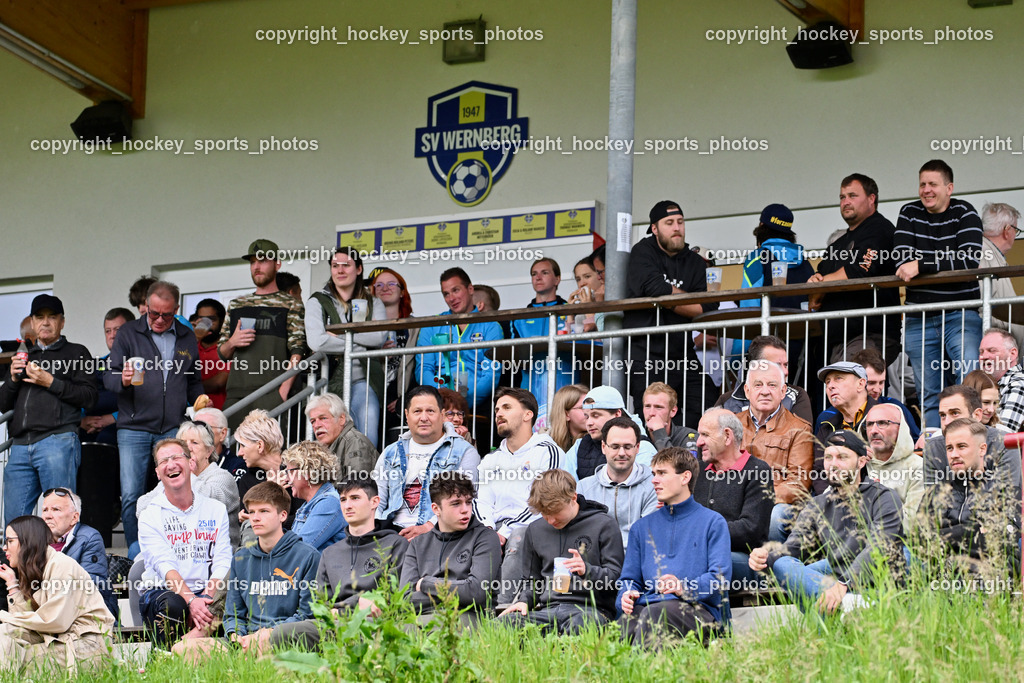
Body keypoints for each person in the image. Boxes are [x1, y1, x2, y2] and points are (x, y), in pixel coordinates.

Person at [749, 431, 904, 614]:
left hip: (875, 585)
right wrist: (766, 556)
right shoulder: (819, 504)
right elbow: (794, 546)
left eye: (842, 457)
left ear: (861, 462)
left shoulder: (883, 496)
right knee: (783, 564)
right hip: (836, 583)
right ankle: (846, 605)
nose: (833, 464)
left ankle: (833, 617)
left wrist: (844, 583)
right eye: (828, 457)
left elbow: (880, 546)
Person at [106, 281, 204, 551]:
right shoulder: (128, 332)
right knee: (131, 496)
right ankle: (136, 552)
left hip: (172, 427)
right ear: (145, 307)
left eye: (167, 314)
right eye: (154, 314)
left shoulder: (186, 336)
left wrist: (200, 404)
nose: (160, 320)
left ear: (177, 309)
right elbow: (108, 377)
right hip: (133, 427)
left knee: (177, 490)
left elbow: (193, 380)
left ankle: (173, 550)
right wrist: (123, 380)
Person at [173, 481, 319, 660]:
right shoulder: (241, 558)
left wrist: (266, 635)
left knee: (263, 646)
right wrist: (236, 634)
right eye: (251, 512)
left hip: (281, 641)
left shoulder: (308, 556)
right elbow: (233, 613)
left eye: (263, 511)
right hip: (243, 642)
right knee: (182, 649)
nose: (255, 518)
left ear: (282, 515)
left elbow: (306, 615)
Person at [894, 160, 984, 429]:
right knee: (928, 392)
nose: (926, 190)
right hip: (919, 317)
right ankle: (934, 449)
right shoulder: (909, 213)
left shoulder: (965, 213)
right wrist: (940, 260)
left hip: (960, 314)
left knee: (967, 381)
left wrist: (921, 265)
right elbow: (899, 259)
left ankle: (970, 440)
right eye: (922, 184)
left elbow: (968, 261)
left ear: (949, 187)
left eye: (933, 184)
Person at [617, 446, 732, 647]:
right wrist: (625, 596)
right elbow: (629, 579)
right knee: (624, 625)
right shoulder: (641, 527)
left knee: (655, 615)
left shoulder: (713, 522)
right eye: (653, 474)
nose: (654, 480)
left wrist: (683, 587)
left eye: (662, 473)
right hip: (649, 606)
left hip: (699, 612)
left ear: (685, 477)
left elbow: (719, 579)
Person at [275, 478, 408, 648]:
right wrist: (352, 607)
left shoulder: (395, 544)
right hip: (334, 624)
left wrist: (344, 610)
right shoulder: (330, 553)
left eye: (355, 498)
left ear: (374, 502)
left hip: (375, 623)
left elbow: (394, 597)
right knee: (282, 633)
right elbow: (320, 605)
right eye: (343, 500)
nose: (347, 505)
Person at [1, 294, 97, 526]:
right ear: (32, 322)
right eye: (39, 317)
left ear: (62, 322)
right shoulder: (23, 356)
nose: (45, 322)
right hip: (21, 445)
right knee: (15, 524)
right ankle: (18, 564)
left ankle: (59, 563)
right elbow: (2, 404)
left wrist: (50, 381)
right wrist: (13, 378)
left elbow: (90, 398)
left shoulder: (77, 353)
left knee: (60, 521)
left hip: (57, 440)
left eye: (52, 317)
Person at [624, 200, 718, 427]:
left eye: (680, 222)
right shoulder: (642, 251)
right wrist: (686, 301)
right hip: (645, 355)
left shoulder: (695, 262)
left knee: (707, 401)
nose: (677, 227)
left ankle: (689, 455)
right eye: (669, 223)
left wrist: (667, 297)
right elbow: (655, 290)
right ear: (655, 229)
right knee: (652, 418)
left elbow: (707, 307)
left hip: (682, 354)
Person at [498, 469, 624, 635]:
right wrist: (525, 601)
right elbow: (532, 581)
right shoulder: (535, 530)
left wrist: (587, 571)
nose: (550, 520)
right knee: (501, 625)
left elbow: (617, 578)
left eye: (555, 512)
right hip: (548, 610)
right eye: (544, 514)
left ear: (573, 498)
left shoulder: (604, 525)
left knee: (582, 624)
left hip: (591, 610)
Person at [138, 439, 232, 646]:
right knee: (173, 604)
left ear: (191, 464)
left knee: (236, 590)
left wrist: (206, 600)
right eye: (164, 461)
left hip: (207, 593)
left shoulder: (215, 509)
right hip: (162, 592)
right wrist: (191, 600)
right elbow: (164, 566)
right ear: (157, 472)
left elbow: (223, 560)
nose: (170, 464)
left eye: (176, 457)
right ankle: (166, 658)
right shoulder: (149, 515)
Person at [477, 388, 565, 604]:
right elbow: (481, 502)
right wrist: (489, 531)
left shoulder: (548, 452)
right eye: (497, 409)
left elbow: (545, 501)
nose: (498, 413)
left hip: (535, 529)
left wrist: (504, 532)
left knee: (519, 535)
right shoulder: (490, 459)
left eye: (507, 407)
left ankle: (503, 607)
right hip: (495, 530)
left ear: (528, 415)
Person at [807, 173, 901, 369]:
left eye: (852, 196)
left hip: (869, 334)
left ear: (871, 198)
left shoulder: (880, 230)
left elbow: (859, 271)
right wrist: (819, 283)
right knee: (850, 393)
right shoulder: (839, 243)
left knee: (853, 391)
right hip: (839, 339)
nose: (846, 202)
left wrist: (823, 283)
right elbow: (815, 296)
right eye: (842, 197)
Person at [0, 516, 114, 674]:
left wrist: (4, 616)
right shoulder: (34, 568)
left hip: (86, 646)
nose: (4, 547)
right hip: (59, 639)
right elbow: (24, 623)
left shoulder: (61, 565)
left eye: (9, 541)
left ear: (27, 540)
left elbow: (55, 621)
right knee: (5, 633)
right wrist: (12, 584)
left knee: (18, 657)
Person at [372, 386, 481, 539]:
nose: (424, 418)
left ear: (442, 415)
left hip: (440, 534)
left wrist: (429, 526)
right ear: (406, 415)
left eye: (430, 411)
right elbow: (376, 498)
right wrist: (375, 531)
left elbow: (465, 501)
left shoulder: (464, 451)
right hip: (391, 534)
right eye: (417, 411)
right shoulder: (391, 452)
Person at [218, 239, 305, 428]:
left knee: (270, 455)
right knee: (236, 454)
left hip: (271, 393)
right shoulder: (236, 305)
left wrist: (282, 392)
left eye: (263, 260)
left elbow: (298, 351)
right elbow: (222, 354)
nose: (257, 267)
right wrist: (232, 342)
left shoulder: (291, 303)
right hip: (236, 396)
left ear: (277, 264)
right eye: (252, 262)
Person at [305, 247, 387, 448]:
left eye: (346, 265)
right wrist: (358, 344)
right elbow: (317, 341)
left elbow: (379, 336)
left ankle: (367, 477)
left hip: (365, 379)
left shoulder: (374, 302)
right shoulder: (317, 301)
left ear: (358, 269)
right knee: (331, 441)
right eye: (335, 266)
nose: (340, 270)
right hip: (329, 381)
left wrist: (341, 335)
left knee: (368, 423)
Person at [918, 419, 1021, 572]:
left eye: (961, 447)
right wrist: (975, 530)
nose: (954, 455)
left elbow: (1003, 541)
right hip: (943, 581)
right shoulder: (936, 492)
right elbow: (921, 541)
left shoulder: (1004, 489)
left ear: (982, 449)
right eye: (949, 448)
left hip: (992, 581)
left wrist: (946, 535)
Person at [691, 411, 774, 594]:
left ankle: (713, 620)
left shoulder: (758, 471)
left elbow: (750, 530)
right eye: (699, 435)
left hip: (744, 559)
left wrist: (700, 533)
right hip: (699, 552)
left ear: (727, 436)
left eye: (705, 435)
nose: (698, 442)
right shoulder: (698, 470)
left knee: (707, 563)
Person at [401, 472, 502, 620]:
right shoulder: (418, 544)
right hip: (421, 619)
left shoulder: (486, 538)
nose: (465, 509)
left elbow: (477, 593)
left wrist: (426, 584)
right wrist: (458, 593)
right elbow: (405, 599)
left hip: (468, 618)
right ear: (436, 509)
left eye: (468, 502)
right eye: (456, 503)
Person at [414, 268, 503, 437]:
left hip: (477, 401)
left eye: (456, 290)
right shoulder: (432, 325)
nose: (451, 298)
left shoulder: (490, 325)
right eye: (446, 294)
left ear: (470, 289)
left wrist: (462, 402)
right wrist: (441, 399)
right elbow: (424, 369)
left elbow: (492, 372)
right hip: (439, 401)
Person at [736, 360, 814, 539]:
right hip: (736, 499)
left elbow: (799, 483)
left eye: (772, 385)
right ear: (747, 391)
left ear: (783, 391)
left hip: (777, 504)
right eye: (758, 385)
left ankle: (772, 564)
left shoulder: (799, 428)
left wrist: (758, 499)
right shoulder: (731, 423)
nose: (765, 391)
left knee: (774, 516)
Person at [78, 307, 134, 545]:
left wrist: (113, 416)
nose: (112, 335)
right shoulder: (95, 365)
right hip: (94, 440)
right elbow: (83, 398)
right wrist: (83, 420)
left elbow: (148, 403)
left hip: (129, 437)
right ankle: (97, 549)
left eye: (118, 330)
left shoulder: (141, 364)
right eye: (108, 331)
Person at [921, 385, 1023, 489]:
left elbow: (1008, 497)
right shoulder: (933, 448)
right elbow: (933, 500)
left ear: (977, 415)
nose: (946, 422)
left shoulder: (1004, 443)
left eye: (955, 413)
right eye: (943, 415)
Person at [576, 417, 658, 547]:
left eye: (627, 447)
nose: (621, 453)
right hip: (595, 563)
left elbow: (649, 537)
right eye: (615, 447)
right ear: (604, 447)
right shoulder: (584, 488)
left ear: (637, 448)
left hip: (636, 562)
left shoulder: (653, 486)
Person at [511, 258, 574, 419]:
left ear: (557, 279)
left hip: (564, 380)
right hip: (530, 384)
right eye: (534, 274)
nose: (538, 277)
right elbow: (513, 354)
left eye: (544, 273)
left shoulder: (571, 310)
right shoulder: (520, 316)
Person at [40, 488, 118, 618]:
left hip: (87, 617)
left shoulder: (90, 537)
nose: (47, 515)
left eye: (55, 510)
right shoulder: (36, 541)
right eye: (45, 510)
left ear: (74, 517)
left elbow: (92, 585)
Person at [563, 386, 658, 481]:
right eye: (586, 417)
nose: (589, 423)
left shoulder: (643, 449)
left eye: (595, 416)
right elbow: (566, 486)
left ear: (617, 414)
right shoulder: (580, 446)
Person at [714, 335, 813, 425]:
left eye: (786, 365)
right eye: (777, 365)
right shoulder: (727, 400)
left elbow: (802, 437)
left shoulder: (797, 395)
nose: (785, 371)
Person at [814, 361, 876, 494]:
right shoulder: (826, 426)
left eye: (838, 379)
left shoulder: (886, 417)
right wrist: (832, 500)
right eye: (828, 382)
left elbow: (905, 458)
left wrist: (878, 457)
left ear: (860, 384)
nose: (830, 386)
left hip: (878, 500)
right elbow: (819, 473)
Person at [739, 203, 814, 310]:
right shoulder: (802, 259)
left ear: (761, 226)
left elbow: (749, 302)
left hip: (770, 325)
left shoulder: (757, 257)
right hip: (803, 324)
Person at [862, 403, 924, 528]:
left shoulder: (917, 466)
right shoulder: (858, 464)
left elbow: (911, 523)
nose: (874, 430)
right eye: (869, 424)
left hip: (899, 542)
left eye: (883, 423)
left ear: (900, 429)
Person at [370, 268, 419, 429]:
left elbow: (420, 367)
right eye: (379, 285)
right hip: (373, 398)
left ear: (402, 292)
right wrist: (377, 352)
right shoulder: (366, 327)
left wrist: (407, 398)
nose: (385, 288)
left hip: (402, 399)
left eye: (391, 284)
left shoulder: (416, 327)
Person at [283, 441, 346, 551]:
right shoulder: (311, 504)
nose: (286, 479)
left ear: (306, 472)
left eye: (290, 472)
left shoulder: (329, 502)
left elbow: (298, 550)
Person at [978, 202, 1024, 348]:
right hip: (994, 349)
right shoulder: (984, 253)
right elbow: (979, 306)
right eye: (1016, 230)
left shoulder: (989, 253)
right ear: (1007, 230)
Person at [850, 347, 921, 441]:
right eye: (871, 383)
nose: (877, 389)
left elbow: (915, 442)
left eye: (881, 382)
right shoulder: (835, 412)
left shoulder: (895, 407)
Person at [305, 393, 378, 481]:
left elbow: (356, 487)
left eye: (323, 418)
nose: (316, 425)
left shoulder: (355, 442)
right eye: (313, 421)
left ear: (341, 419)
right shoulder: (323, 447)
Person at [978, 328, 1024, 432]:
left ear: (1012, 354)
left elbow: (1003, 435)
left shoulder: (1019, 383)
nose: (984, 356)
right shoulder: (990, 384)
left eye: (992, 350)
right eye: (981, 352)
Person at [192, 298, 229, 410]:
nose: (206, 324)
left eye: (211, 320)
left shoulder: (228, 347)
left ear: (222, 321)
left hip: (219, 414)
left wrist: (188, 386)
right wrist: (193, 339)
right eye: (201, 319)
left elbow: (219, 382)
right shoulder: (191, 346)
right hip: (192, 414)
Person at [194, 406, 248, 479]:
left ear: (222, 434)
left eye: (205, 428)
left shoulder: (237, 466)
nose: (198, 433)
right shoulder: (183, 462)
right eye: (195, 428)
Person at [642, 382, 698, 450]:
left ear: (673, 411)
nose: (651, 413)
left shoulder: (688, 437)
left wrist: (659, 432)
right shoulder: (636, 436)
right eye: (647, 406)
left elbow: (670, 460)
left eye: (658, 407)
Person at [545, 384, 589, 452]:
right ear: (566, 414)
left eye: (591, 407)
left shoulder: (598, 440)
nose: (589, 412)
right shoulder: (545, 443)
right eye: (582, 408)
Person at [568, 256, 603, 333]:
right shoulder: (580, 314)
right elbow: (570, 342)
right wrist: (569, 314)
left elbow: (601, 338)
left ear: (600, 277)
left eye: (587, 276)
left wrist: (588, 309)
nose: (582, 283)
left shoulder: (609, 305)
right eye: (578, 279)